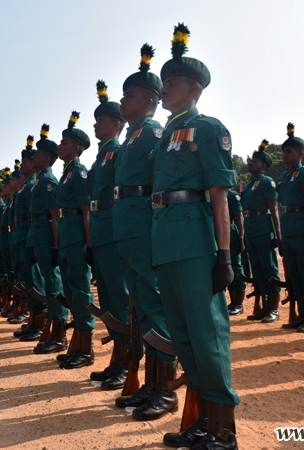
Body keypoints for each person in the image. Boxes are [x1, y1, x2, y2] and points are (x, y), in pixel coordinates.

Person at [151, 24, 239, 449]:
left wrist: (225, 254)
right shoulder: (165, 133)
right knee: (183, 335)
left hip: (194, 240)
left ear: (195, 87)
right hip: (165, 238)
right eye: (163, 82)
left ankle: (223, 430)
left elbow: (219, 197)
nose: (164, 89)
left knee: (207, 333)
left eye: (172, 83)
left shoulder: (207, 128)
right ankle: (202, 422)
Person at [113, 43, 177, 420]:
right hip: (127, 225)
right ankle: (151, 382)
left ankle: (165, 388)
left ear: (150, 100)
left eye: (130, 95)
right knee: (141, 305)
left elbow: (157, 182)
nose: (124, 101)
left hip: (142, 225)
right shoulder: (131, 135)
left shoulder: (152, 132)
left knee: (155, 304)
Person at [88, 80, 131, 389]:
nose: (95, 124)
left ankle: (127, 360)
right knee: (108, 299)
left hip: (114, 229)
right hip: (102, 230)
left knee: (119, 298)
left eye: (100, 120)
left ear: (116, 124)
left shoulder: (116, 152)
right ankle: (117, 356)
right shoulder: (102, 155)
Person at [55, 111, 95, 369]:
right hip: (67, 239)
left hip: (77, 239)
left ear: (77, 148)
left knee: (80, 292)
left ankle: (86, 349)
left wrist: (89, 245)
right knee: (70, 292)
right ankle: (77, 345)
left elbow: (86, 211)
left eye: (64, 143)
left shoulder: (79, 172)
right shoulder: (66, 173)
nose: (60, 146)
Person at [27, 125, 68, 354]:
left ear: (48, 158)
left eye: (37, 154)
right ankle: (53, 330)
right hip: (38, 234)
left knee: (53, 283)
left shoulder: (48, 180)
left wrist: (55, 245)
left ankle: (60, 334)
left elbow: (55, 215)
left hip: (46, 235)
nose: (33, 157)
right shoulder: (39, 180)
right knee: (44, 282)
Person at [276, 123, 304, 332]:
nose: (284, 155)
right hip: (288, 230)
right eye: (283, 151)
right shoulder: (283, 177)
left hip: (303, 229)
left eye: (289, 151)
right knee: (294, 273)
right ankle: (301, 315)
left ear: (301, 153)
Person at [239, 143, 281, 321]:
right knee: (257, 268)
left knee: (269, 267)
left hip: (264, 229)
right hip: (251, 229)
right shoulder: (248, 185)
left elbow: (274, 209)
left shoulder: (266, 182)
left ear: (263, 165)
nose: (250, 163)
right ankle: (264, 305)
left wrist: (277, 235)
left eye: (254, 161)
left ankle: (273, 308)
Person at [13, 139, 48, 339]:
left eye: (26, 161)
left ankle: (40, 323)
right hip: (25, 232)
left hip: (32, 232)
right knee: (28, 279)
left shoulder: (35, 184)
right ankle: (34, 320)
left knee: (36, 280)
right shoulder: (27, 185)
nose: (25, 164)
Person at [225, 188, 246, 314]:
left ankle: (238, 303)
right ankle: (232, 302)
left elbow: (240, 217)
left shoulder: (232, 195)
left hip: (231, 232)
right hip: (217, 233)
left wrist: (241, 239)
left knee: (235, 267)